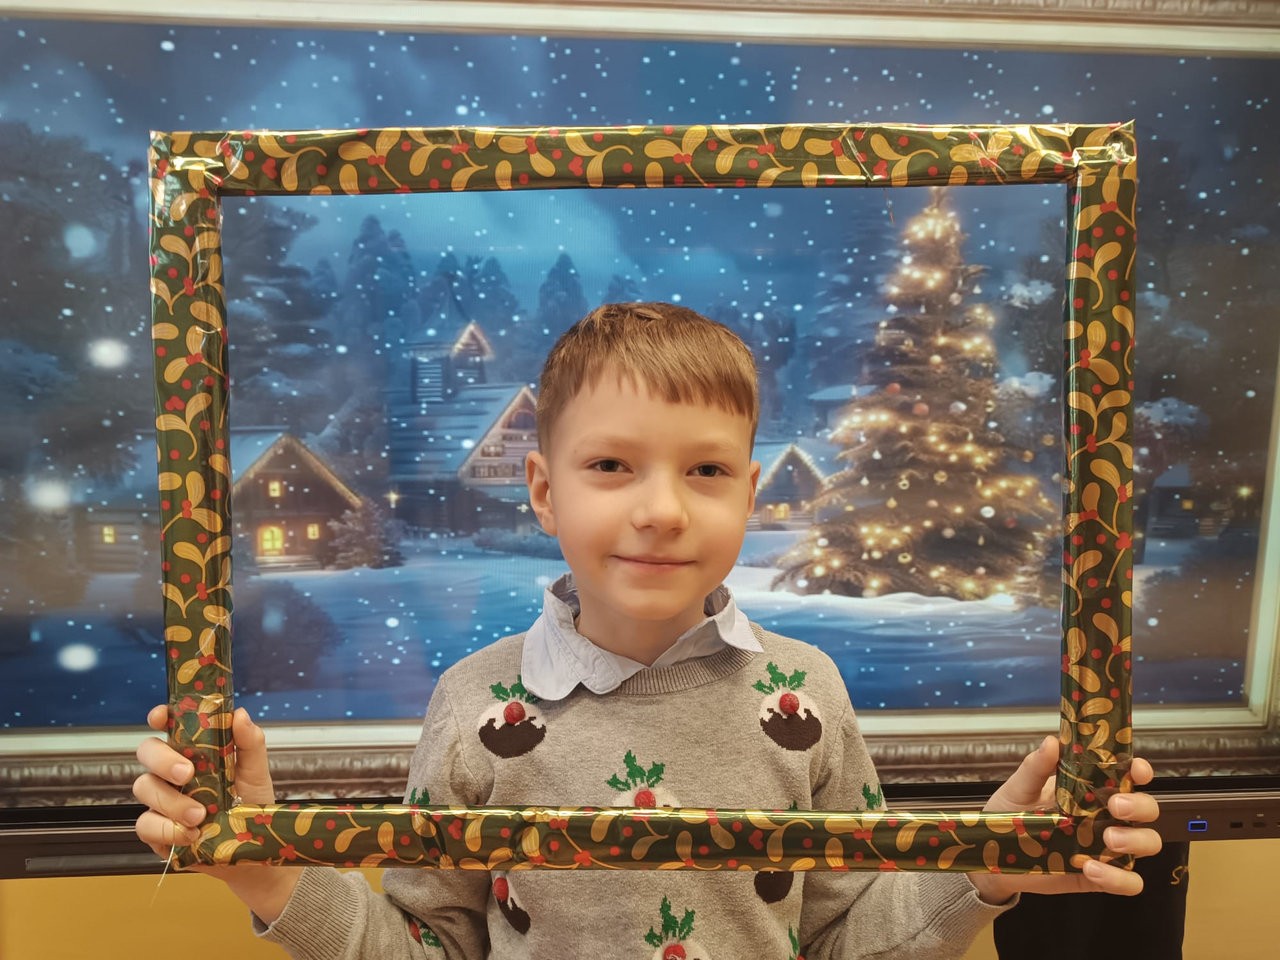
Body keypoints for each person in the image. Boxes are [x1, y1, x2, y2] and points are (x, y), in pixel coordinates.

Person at [135, 302, 1162, 959]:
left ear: (750, 494)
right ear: (544, 490)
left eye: (705, 470)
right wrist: (262, 862)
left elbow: (845, 938)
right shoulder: (474, 702)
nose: (662, 510)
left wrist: (985, 865)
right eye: (610, 466)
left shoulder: (805, 691)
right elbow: (426, 948)